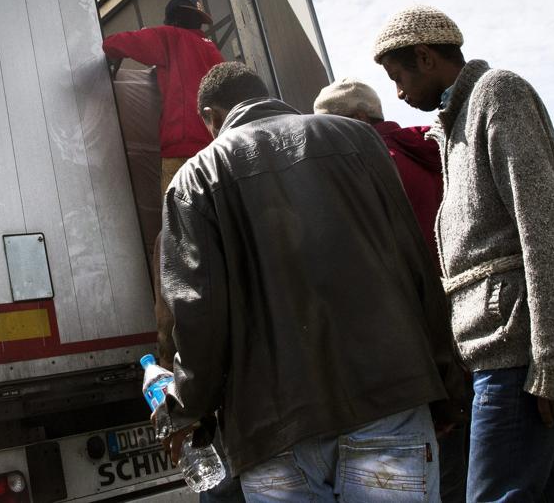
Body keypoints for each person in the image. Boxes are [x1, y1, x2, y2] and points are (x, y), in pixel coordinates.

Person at [160, 62, 463, 503]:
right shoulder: (357, 139)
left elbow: (197, 314)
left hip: (273, 431)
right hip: (389, 399)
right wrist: (444, 378)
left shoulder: (194, 179)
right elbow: (414, 262)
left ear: (211, 117)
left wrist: (188, 410)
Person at [373, 5, 554, 502]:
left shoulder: (498, 94)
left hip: (514, 349)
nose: (398, 94)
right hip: (495, 348)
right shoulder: (452, 125)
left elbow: (545, 227)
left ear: (424, 57)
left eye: (397, 76)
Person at [313, 78, 465, 503]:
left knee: (449, 475)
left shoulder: (365, 167)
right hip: (468, 314)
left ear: (360, 119)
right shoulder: (434, 150)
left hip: (419, 335)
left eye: (331, 124)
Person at [103, 0, 224, 369]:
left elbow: (113, 42)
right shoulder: (213, 53)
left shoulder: (168, 38)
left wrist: (115, 58)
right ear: (197, 21)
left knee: (174, 247)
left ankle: (170, 354)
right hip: (217, 153)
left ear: (172, 20)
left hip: (179, 154)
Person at [314, 78, 442, 260]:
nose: (328, 138)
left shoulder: (369, 166)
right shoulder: (433, 142)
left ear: (360, 118)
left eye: (331, 127)